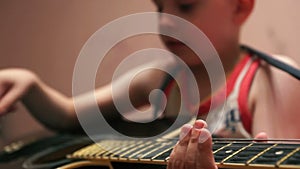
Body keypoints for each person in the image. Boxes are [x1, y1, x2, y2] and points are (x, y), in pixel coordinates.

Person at [0, 0, 299, 168]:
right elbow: (70, 117)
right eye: (159, 7)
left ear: (240, 7)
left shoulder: (270, 80)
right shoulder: (162, 77)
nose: (166, 21)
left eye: (185, 5)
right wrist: (32, 86)